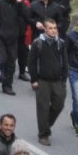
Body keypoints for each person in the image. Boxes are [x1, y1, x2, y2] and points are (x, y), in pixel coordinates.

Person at [26, 18, 68, 146]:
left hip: (57, 81)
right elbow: (31, 62)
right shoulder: (37, 43)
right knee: (43, 108)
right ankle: (43, 134)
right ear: (45, 29)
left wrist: (64, 80)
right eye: (50, 28)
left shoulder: (60, 43)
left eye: (55, 28)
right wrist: (34, 80)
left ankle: (46, 124)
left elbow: (65, 62)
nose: (53, 31)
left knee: (59, 105)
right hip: (42, 81)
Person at [0, 0, 29, 95]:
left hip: (13, 38)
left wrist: (20, 2)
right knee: (1, 59)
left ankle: (7, 86)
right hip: (0, 37)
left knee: (11, 62)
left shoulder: (18, 4)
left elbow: (26, 15)